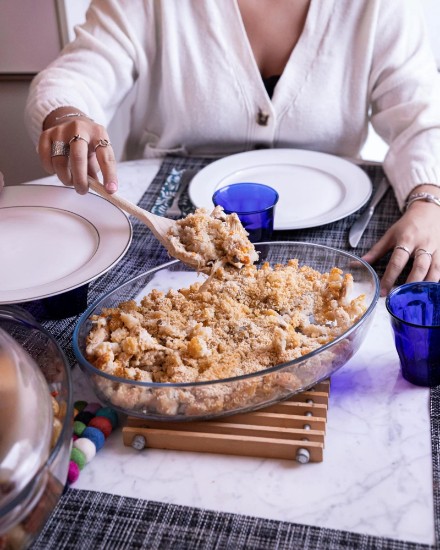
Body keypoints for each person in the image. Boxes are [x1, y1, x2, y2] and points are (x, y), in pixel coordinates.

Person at [25, 0, 440, 296]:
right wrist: (65, 118)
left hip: (337, 235)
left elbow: (422, 116)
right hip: (164, 226)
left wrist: (429, 199)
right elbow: (75, 75)